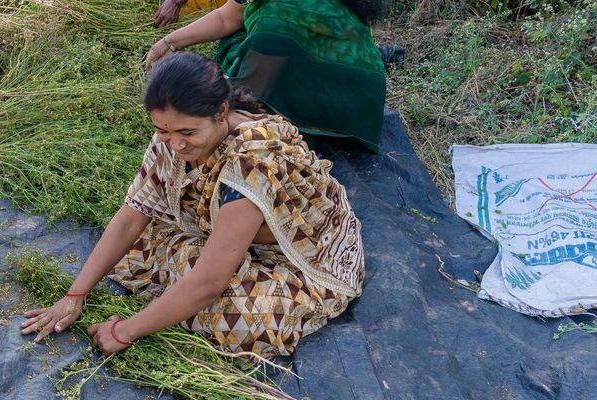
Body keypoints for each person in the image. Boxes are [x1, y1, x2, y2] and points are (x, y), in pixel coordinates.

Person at [21, 52, 365, 357]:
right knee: (142, 245)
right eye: (163, 131)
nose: (176, 144)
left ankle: (181, 297)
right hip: (232, 234)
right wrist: (75, 295)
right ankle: (182, 291)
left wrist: (124, 331)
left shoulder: (253, 163)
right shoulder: (172, 140)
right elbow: (129, 220)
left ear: (221, 111)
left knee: (238, 318)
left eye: (187, 132)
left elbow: (210, 281)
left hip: (302, 259)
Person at [144, 0, 387, 151]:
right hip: (363, 83)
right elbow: (227, 17)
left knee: (246, 48)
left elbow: (244, 103)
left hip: (341, 99)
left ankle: (296, 123)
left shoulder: (274, 28)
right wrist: (169, 42)